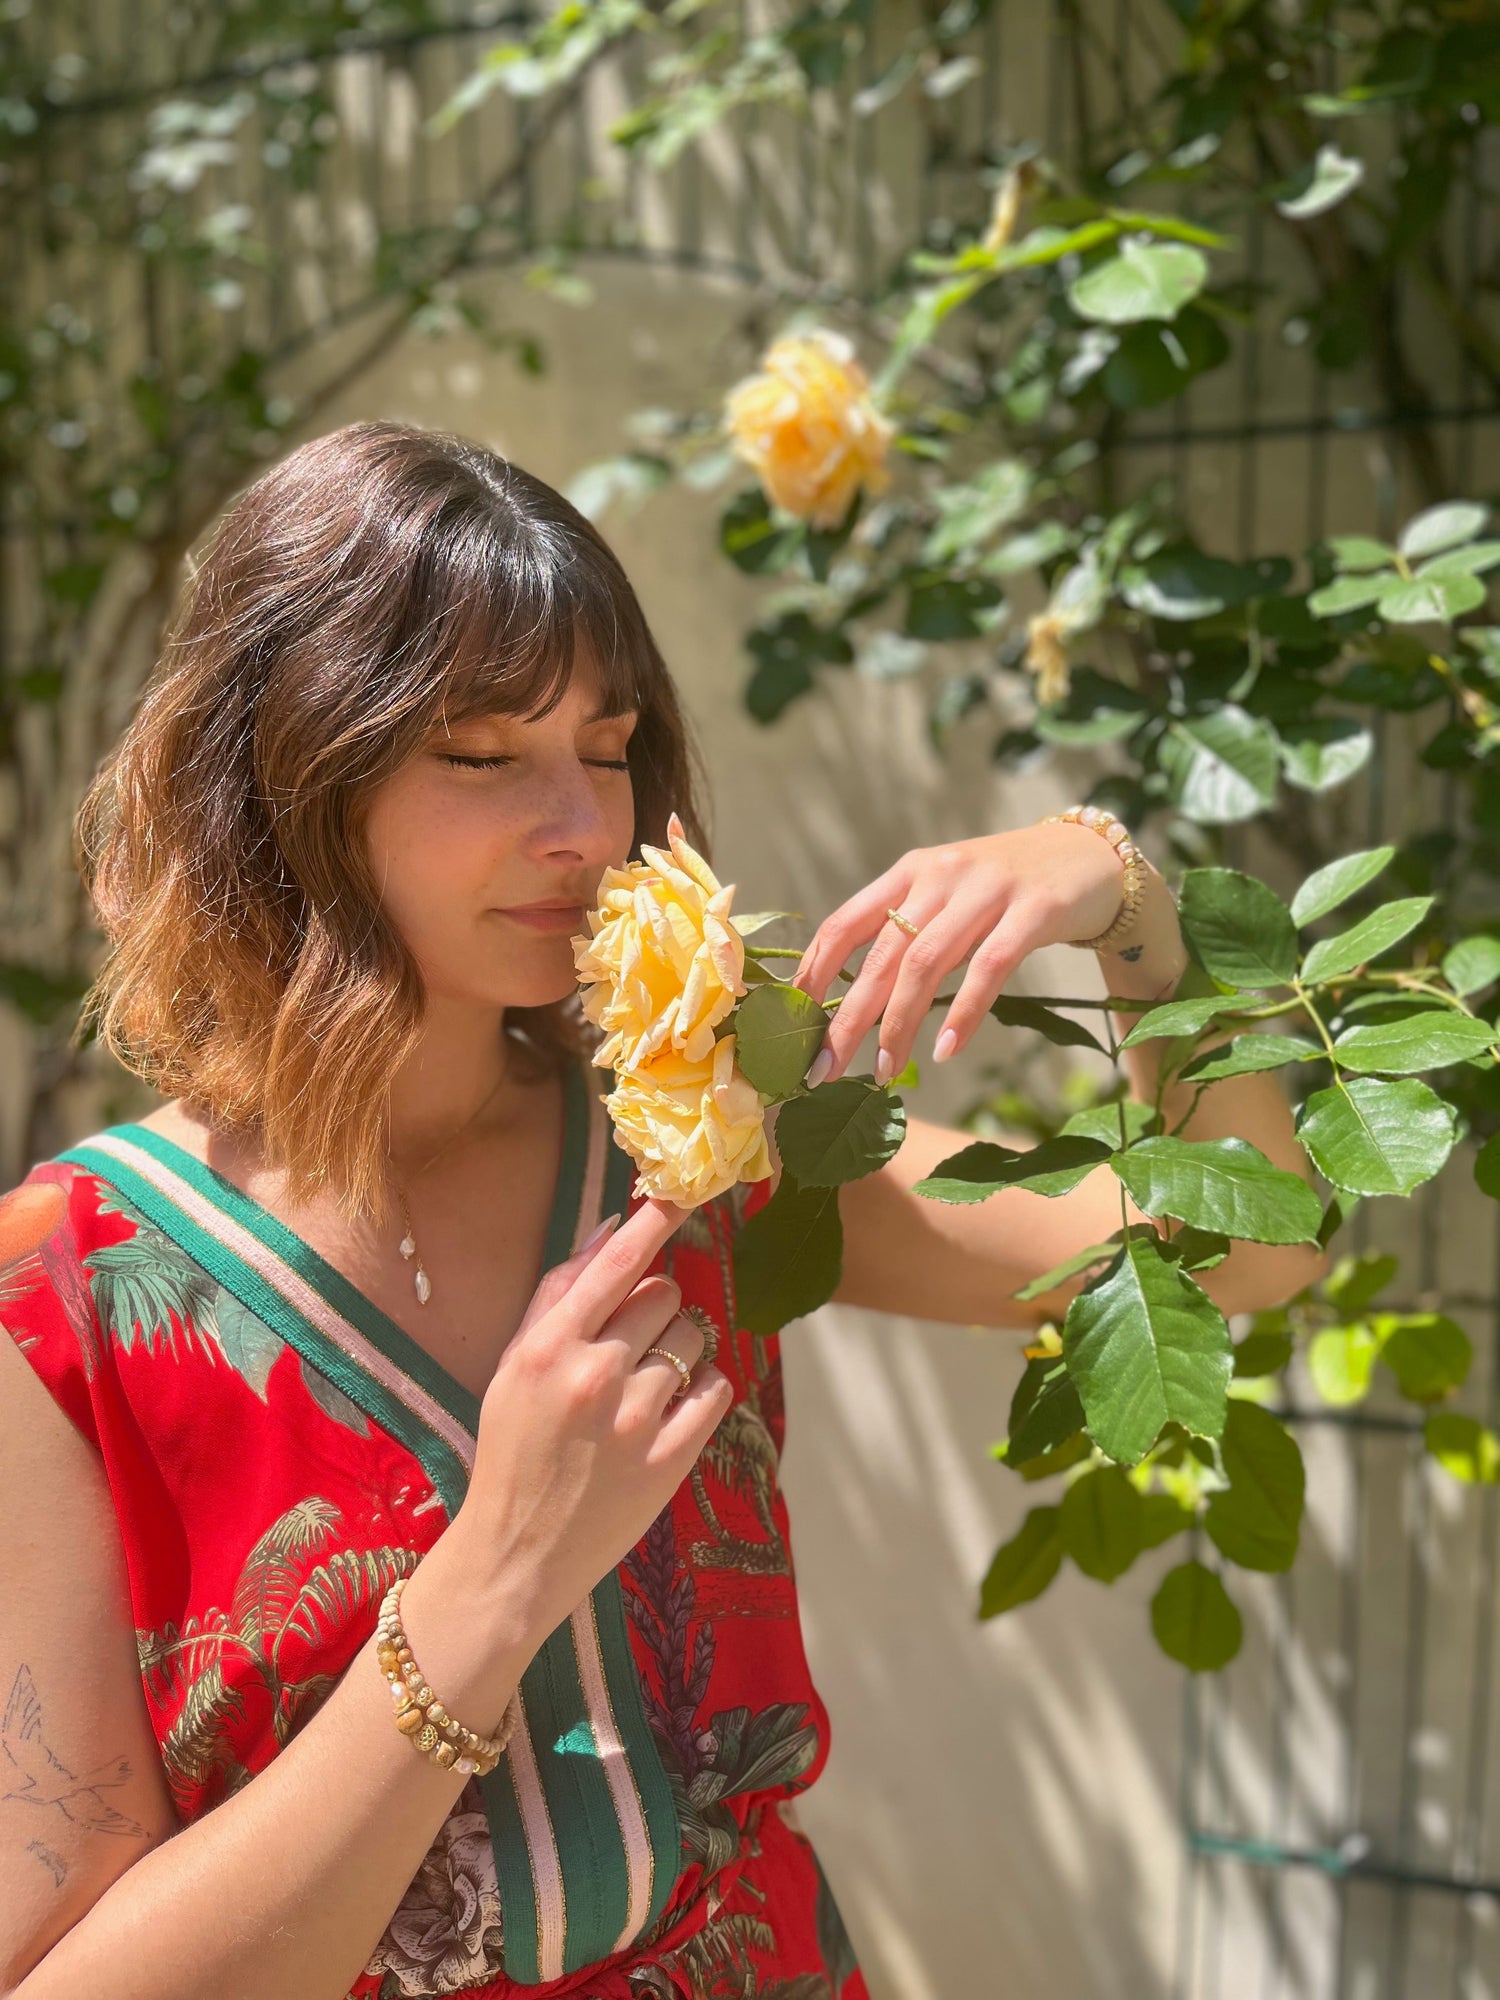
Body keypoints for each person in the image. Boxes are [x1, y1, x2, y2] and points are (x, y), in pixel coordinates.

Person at [0, 421, 1326, 2000]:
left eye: (610, 746)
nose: (583, 828)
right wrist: (496, 1574)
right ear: (283, 777)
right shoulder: (66, 1296)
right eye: (484, 756)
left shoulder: (698, 1156)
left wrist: (1127, 905)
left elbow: (1245, 1255)